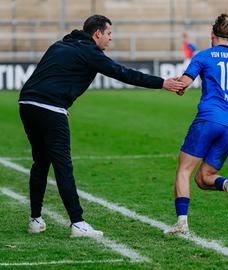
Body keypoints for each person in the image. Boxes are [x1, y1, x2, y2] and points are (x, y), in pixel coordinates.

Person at [18, 14, 184, 238]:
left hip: (27, 104)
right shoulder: (90, 52)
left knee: (41, 162)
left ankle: (35, 219)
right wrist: (161, 83)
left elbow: (48, 75)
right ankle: (77, 223)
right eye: (109, 34)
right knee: (62, 166)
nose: (110, 39)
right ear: (97, 33)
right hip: (49, 108)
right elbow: (122, 73)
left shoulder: (59, 45)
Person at [164, 14, 228, 235]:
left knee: (184, 170)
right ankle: (227, 184)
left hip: (208, 119)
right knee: (204, 178)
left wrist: (177, 86)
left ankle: (182, 223)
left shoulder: (204, 56)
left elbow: (185, 83)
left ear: (212, 36)